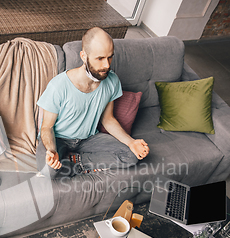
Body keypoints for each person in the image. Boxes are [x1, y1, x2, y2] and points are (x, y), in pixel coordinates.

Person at [36, 27, 149, 178]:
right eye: (100, 58)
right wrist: (52, 151)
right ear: (84, 56)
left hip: (88, 139)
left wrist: (131, 142)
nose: (107, 65)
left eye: (110, 57)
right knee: (48, 170)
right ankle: (68, 163)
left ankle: (77, 163)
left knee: (131, 155)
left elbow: (108, 119)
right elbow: (47, 127)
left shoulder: (112, 81)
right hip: (59, 138)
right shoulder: (58, 86)